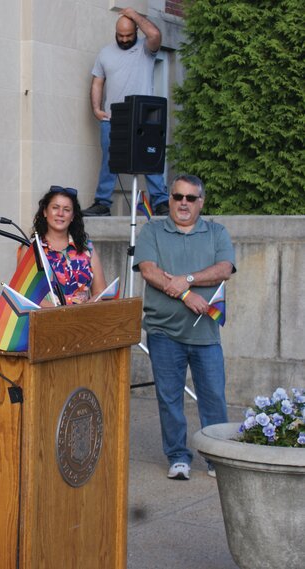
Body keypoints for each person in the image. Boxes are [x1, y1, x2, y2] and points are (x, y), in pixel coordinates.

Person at [133, 174, 235, 480]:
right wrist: (188, 294)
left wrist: (186, 279)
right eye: (178, 197)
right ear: (171, 199)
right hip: (163, 332)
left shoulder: (217, 232)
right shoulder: (152, 230)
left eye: (191, 198)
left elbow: (224, 269)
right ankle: (178, 456)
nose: (183, 204)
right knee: (169, 398)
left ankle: (218, 457)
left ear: (201, 202)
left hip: (205, 332)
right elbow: (150, 271)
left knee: (214, 397)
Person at [83, 8, 167, 217]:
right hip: (114, 117)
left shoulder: (146, 48)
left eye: (129, 35)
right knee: (109, 160)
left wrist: (135, 15)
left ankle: (161, 202)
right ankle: (102, 203)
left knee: (150, 155)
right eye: (120, 35)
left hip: (143, 115)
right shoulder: (105, 53)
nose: (124, 39)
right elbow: (97, 81)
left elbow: (156, 35)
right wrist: (96, 109)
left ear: (136, 31)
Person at [20, 186, 106, 305]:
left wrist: (85, 310)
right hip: (46, 319)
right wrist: (61, 315)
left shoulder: (87, 247)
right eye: (55, 208)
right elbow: (26, 294)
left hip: (83, 319)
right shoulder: (31, 248)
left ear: (73, 216)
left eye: (67, 209)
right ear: (45, 212)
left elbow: (100, 291)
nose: (60, 213)